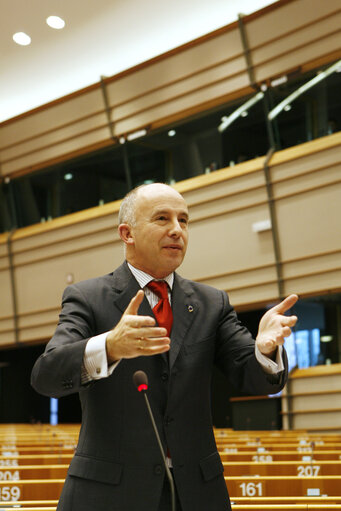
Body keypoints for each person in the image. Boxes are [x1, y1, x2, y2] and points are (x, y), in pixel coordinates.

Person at [31, 183, 298, 511]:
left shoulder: (211, 303)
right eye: (162, 219)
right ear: (127, 233)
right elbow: (46, 374)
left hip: (196, 493)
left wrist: (266, 350)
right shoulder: (87, 297)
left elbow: (254, 378)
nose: (177, 230)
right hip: (110, 494)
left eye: (184, 221)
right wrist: (109, 347)